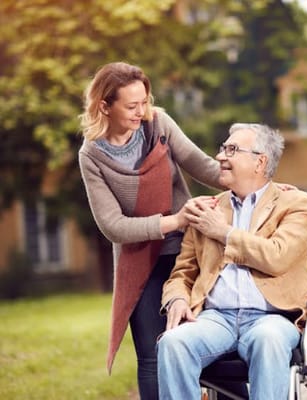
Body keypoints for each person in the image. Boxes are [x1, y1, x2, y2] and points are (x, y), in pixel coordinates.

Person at [78, 61, 224, 400]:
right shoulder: (92, 156)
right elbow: (113, 226)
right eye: (131, 106)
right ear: (104, 106)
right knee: (151, 354)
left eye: (144, 101)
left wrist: (262, 184)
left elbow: (203, 166)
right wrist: (174, 220)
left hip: (189, 253)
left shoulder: (158, 124)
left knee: (207, 345)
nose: (141, 111)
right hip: (139, 262)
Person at [157, 123, 307, 399]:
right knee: (173, 342)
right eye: (222, 149)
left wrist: (223, 233)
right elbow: (182, 274)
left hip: (272, 317)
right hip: (215, 318)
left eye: (231, 149)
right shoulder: (206, 208)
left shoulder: (298, 204)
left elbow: (276, 256)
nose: (220, 156)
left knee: (268, 340)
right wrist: (177, 299)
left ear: (260, 162)